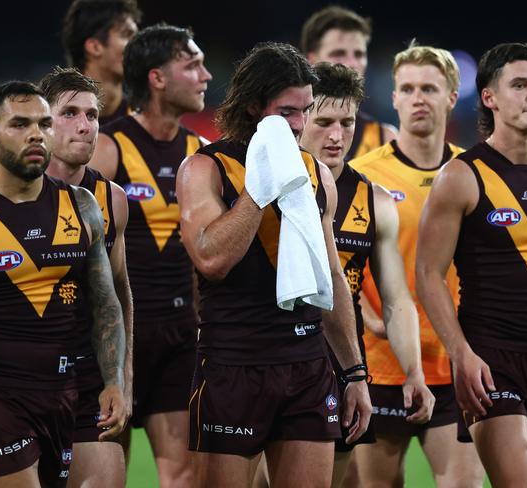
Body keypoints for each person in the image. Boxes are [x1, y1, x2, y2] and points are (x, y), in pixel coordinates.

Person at [177, 41, 372, 488]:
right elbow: (211, 260)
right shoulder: (205, 169)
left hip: (306, 365)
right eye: (287, 112)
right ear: (252, 107)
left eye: (305, 110)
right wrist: (259, 189)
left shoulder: (316, 174)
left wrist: (355, 372)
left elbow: (330, 278)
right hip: (234, 365)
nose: (301, 124)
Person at [0, 81, 127, 487]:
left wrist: (114, 381)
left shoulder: (83, 206)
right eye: (20, 124)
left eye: (44, 124)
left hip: (78, 390)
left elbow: (107, 302)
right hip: (0, 399)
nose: (37, 134)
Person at [416, 42, 527, 488]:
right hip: (489, 360)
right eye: (519, 85)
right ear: (489, 97)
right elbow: (428, 274)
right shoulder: (461, 177)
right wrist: (460, 354)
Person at [348, 43, 485, 488]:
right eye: (407, 88)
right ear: (394, 99)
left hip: (455, 363)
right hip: (381, 365)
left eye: (429, 88)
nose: (417, 98)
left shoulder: (473, 174)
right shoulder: (361, 176)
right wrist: (367, 318)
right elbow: (340, 265)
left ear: (451, 96)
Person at [299, 61, 434, 488]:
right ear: (299, 118)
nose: (337, 136)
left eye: (347, 122)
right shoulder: (262, 189)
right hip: (268, 356)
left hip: (340, 367)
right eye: (323, 122)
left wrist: (414, 371)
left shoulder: (374, 202)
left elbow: (396, 299)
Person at [88, 23, 212, 487]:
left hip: (180, 333)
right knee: (105, 474)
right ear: (157, 78)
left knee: (182, 473)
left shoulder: (200, 153)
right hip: (115, 335)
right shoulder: (108, 147)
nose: (205, 75)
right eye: (192, 64)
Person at [39, 67, 132, 488]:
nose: (85, 125)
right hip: (17, 382)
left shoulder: (111, 198)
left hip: (89, 379)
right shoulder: (1, 198)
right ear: (43, 124)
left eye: (93, 115)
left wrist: (122, 380)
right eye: (70, 113)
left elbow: (120, 294)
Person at [300, 5, 396, 160]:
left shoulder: (383, 141)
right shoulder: (288, 134)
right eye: (339, 53)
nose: (351, 63)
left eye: (359, 54)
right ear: (310, 61)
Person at [62, 0, 141, 126]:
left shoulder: (143, 122)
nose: (138, 45)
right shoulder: (47, 123)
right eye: (126, 35)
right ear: (95, 47)